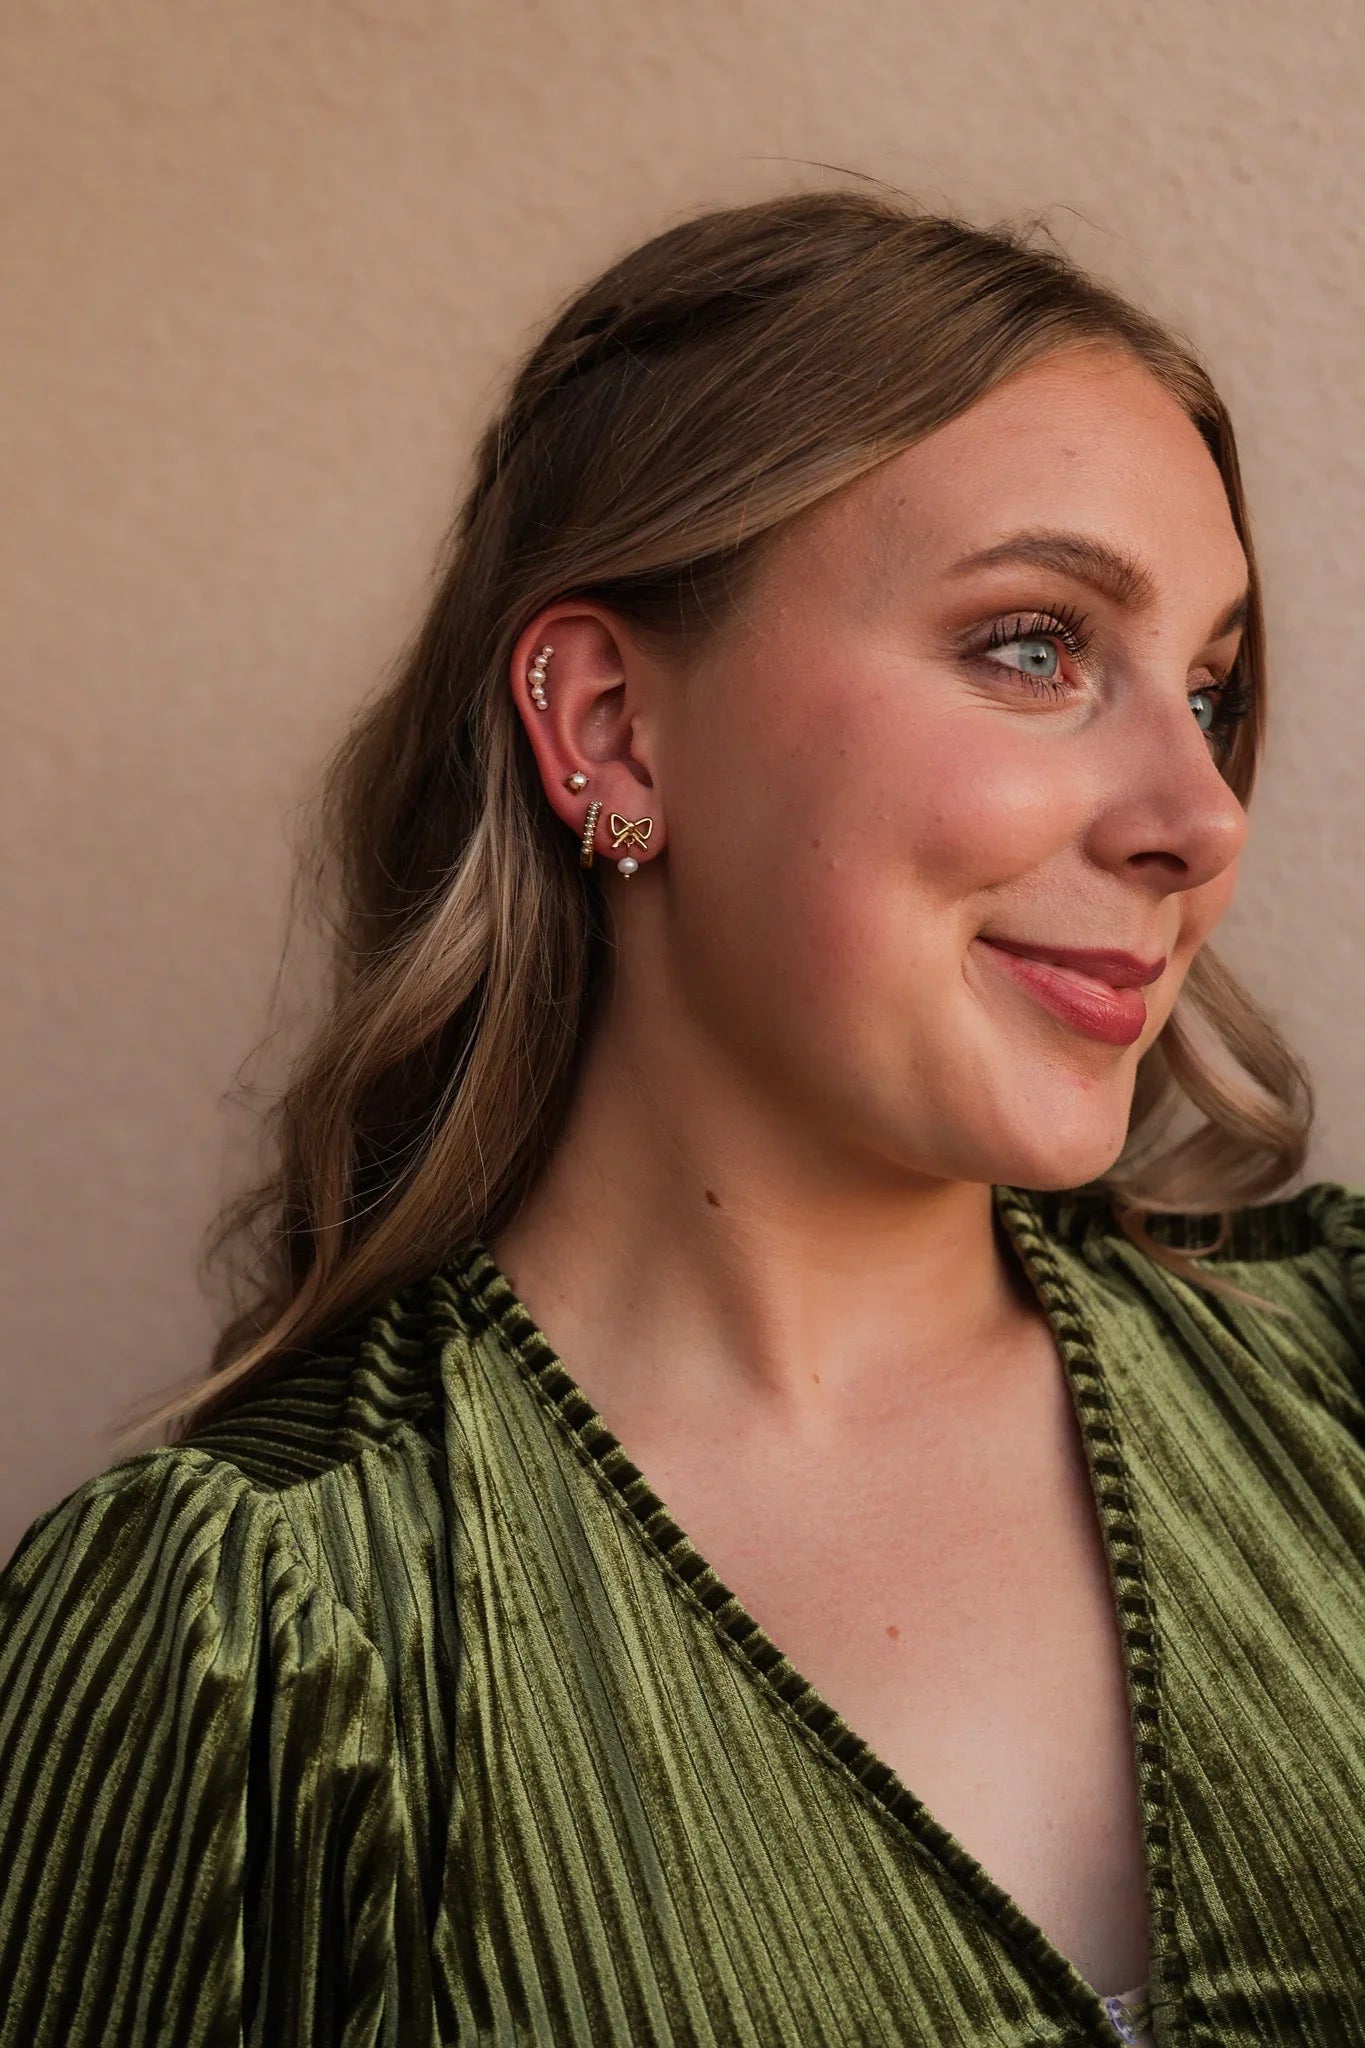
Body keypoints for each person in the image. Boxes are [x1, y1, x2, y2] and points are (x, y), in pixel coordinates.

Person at [1, 184, 1362, 2048]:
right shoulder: (265, 1629)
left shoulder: (1333, 1375)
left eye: (1208, 691)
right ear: (611, 729)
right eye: (1035, 646)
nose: (1199, 818)